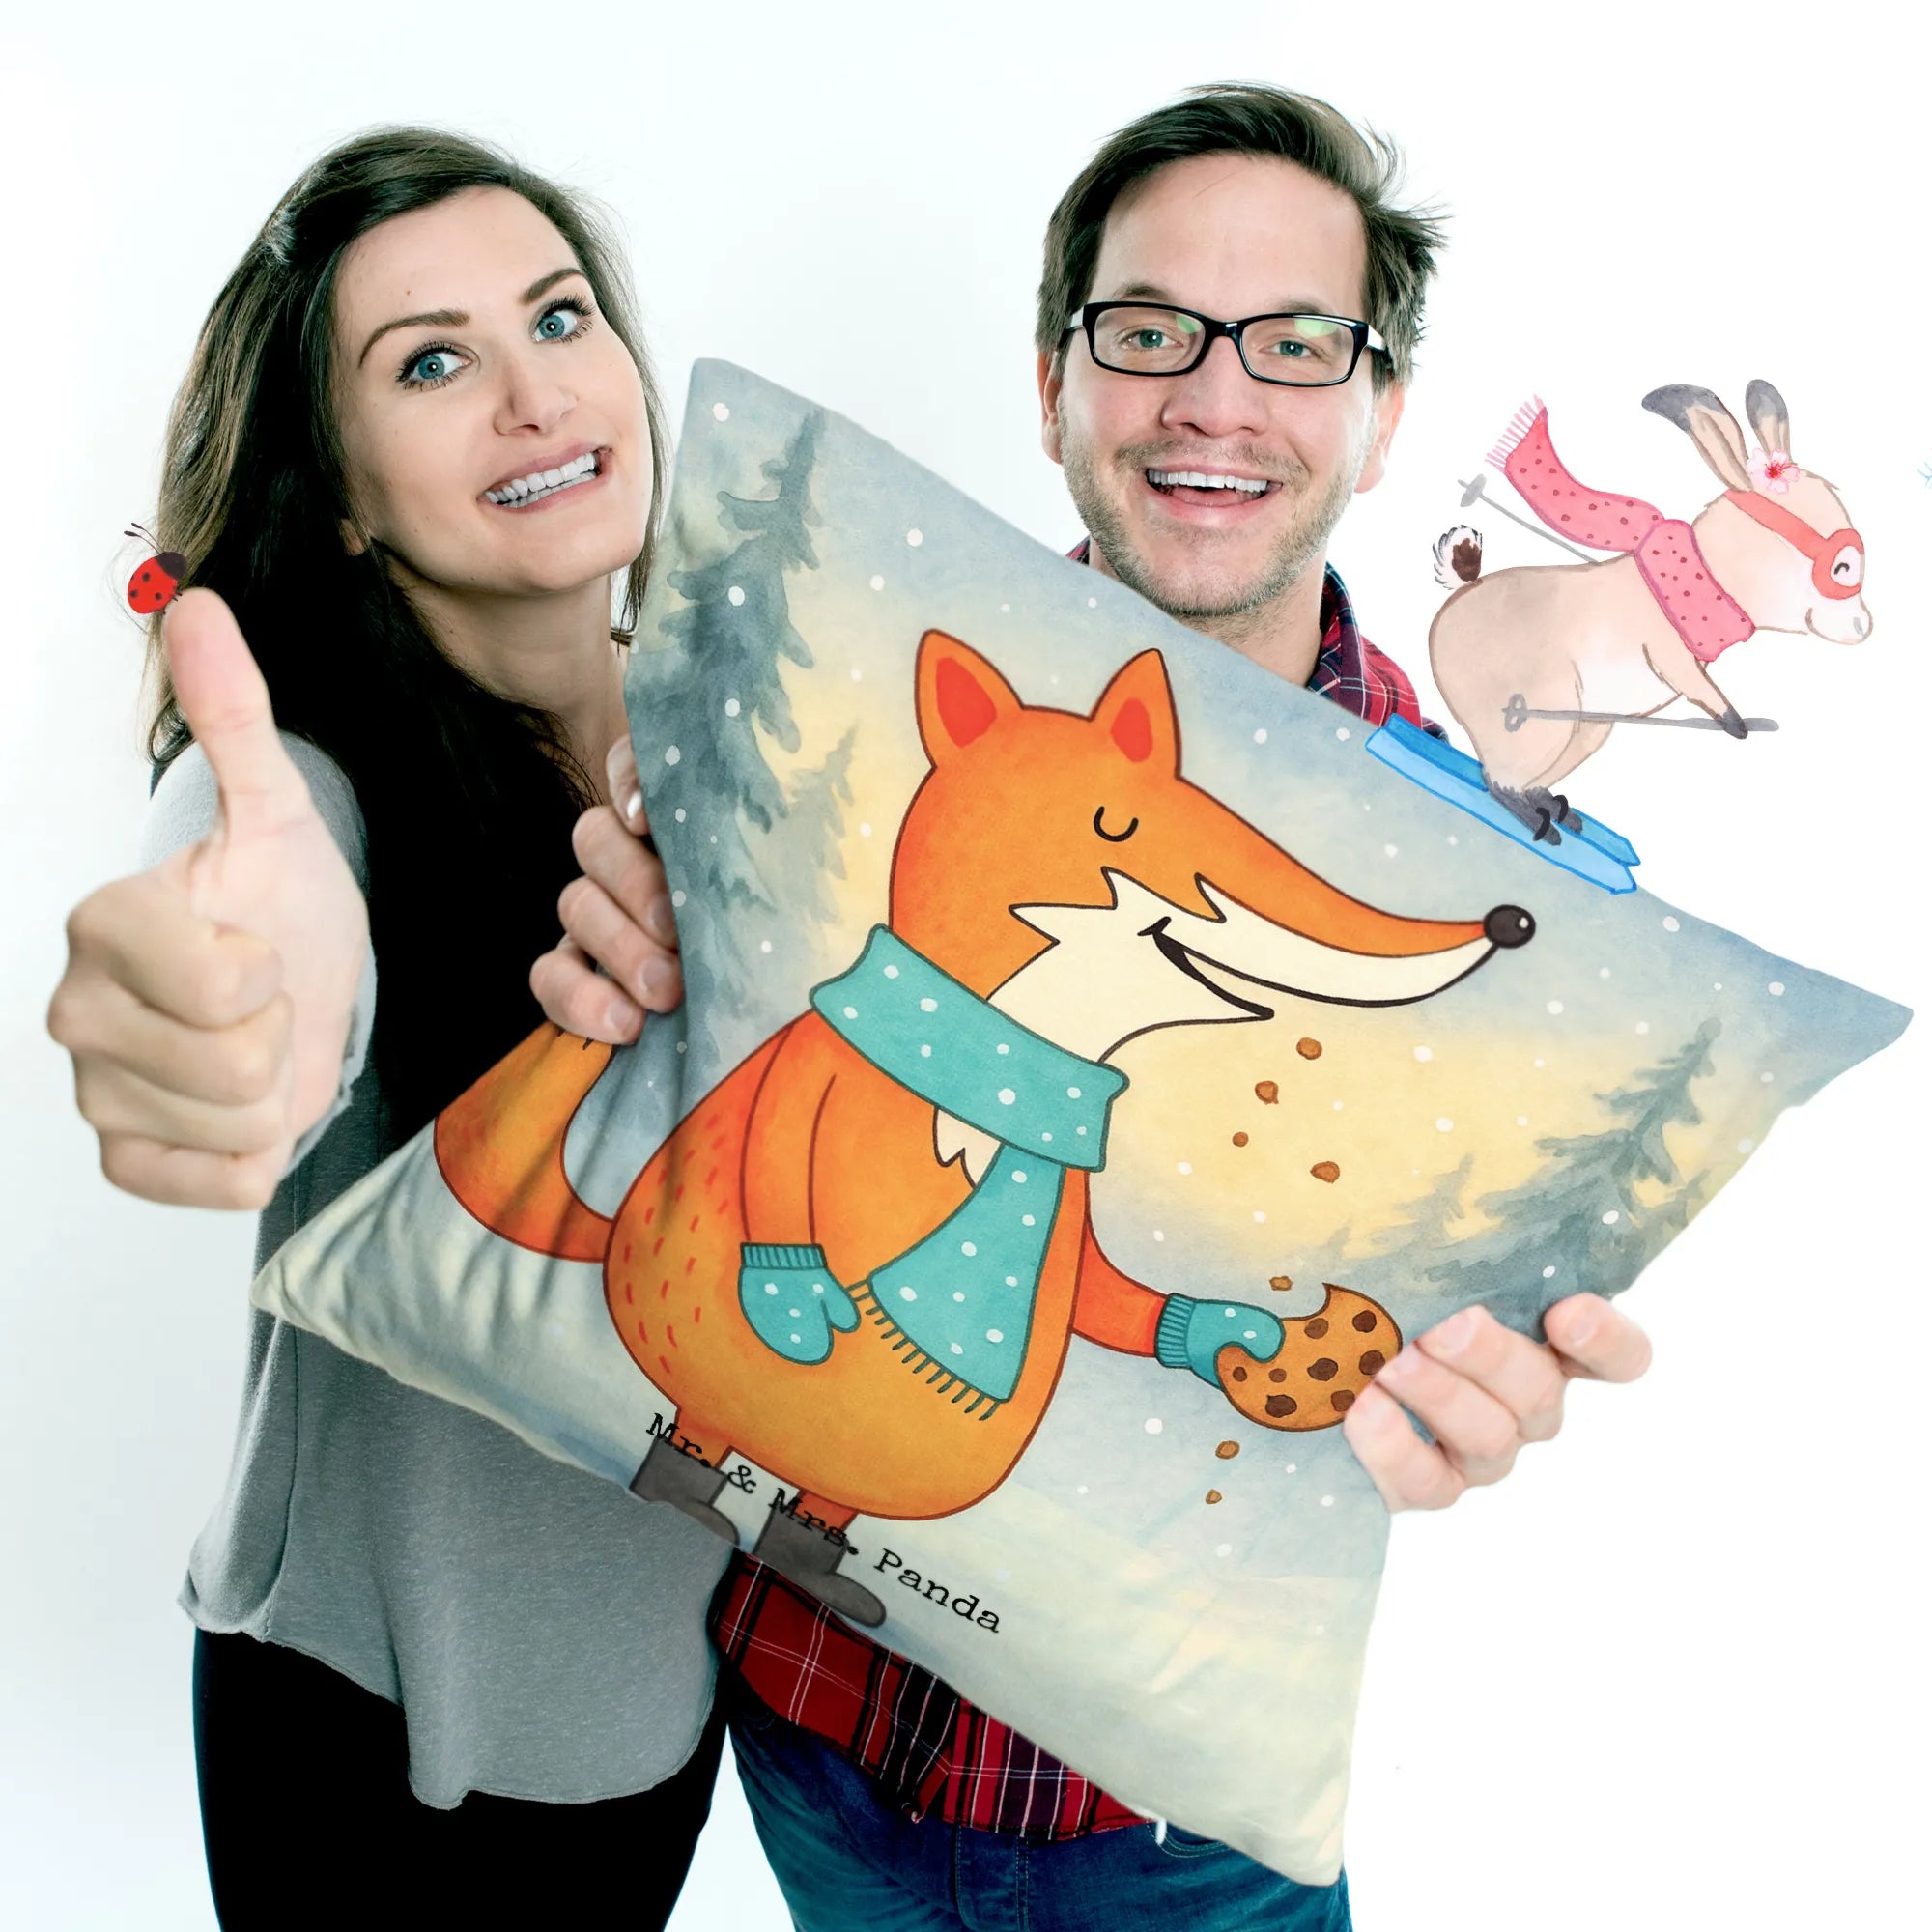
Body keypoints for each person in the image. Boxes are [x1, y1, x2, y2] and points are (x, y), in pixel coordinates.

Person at [534, 84, 1655, 1930]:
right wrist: (617, 967)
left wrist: (1472, 1387)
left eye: (1297, 342)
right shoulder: (836, 715)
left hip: (1181, 1828)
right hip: (808, 1741)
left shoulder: (1479, 895)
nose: (1216, 398)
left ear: (1381, 418)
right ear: (1054, 384)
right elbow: (719, 1115)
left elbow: (1405, 1319)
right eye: (1150, 332)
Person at [45, 130, 722, 1928]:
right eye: (430, 363)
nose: (532, 395)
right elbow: (251, 897)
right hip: (377, 1738)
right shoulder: (310, 784)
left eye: (558, 318)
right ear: (341, 496)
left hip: (662, 1702)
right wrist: (223, 997)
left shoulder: (733, 742)